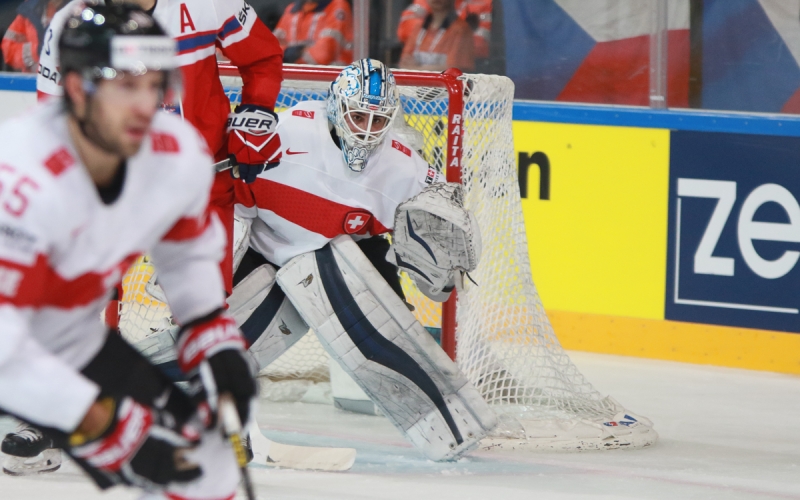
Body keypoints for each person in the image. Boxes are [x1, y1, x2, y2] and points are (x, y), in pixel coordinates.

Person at [6, 0, 285, 474]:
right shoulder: (70, 22)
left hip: (198, 181)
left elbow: (262, 57)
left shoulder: (209, 4)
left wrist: (255, 114)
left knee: (204, 308)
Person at [230, 58, 496, 462]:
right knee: (223, 335)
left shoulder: (404, 164)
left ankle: (448, 423)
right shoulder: (286, 131)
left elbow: (438, 210)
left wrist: (440, 251)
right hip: (264, 243)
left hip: (344, 247)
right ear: (336, 108)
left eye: (378, 120)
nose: (367, 130)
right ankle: (194, 404)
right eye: (358, 116)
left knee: (391, 331)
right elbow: (231, 196)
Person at [397, 0, 492, 59]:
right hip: (424, 70)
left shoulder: (483, 2)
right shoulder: (429, 1)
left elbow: (479, 46)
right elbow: (405, 30)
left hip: (472, 73)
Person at [398, 0, 475, 73]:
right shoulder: (419, 28)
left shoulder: (461, 30)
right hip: (415, 85)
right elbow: (404, 63)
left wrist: (416, 69)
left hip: (445, 86)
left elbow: (455, 69)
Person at [273, 0, 353, 65]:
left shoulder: (337, 5)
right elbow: (272, 46)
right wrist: (290, 53)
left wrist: (292, 56)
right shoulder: (292, 9)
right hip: (298, 77)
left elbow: (325, 52)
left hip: (332, 78)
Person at [1, 0, 65, 73]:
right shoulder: (29, 10)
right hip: (32, 81)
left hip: (64, 82)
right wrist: (35, 51)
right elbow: (9, 50)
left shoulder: (77, 11)